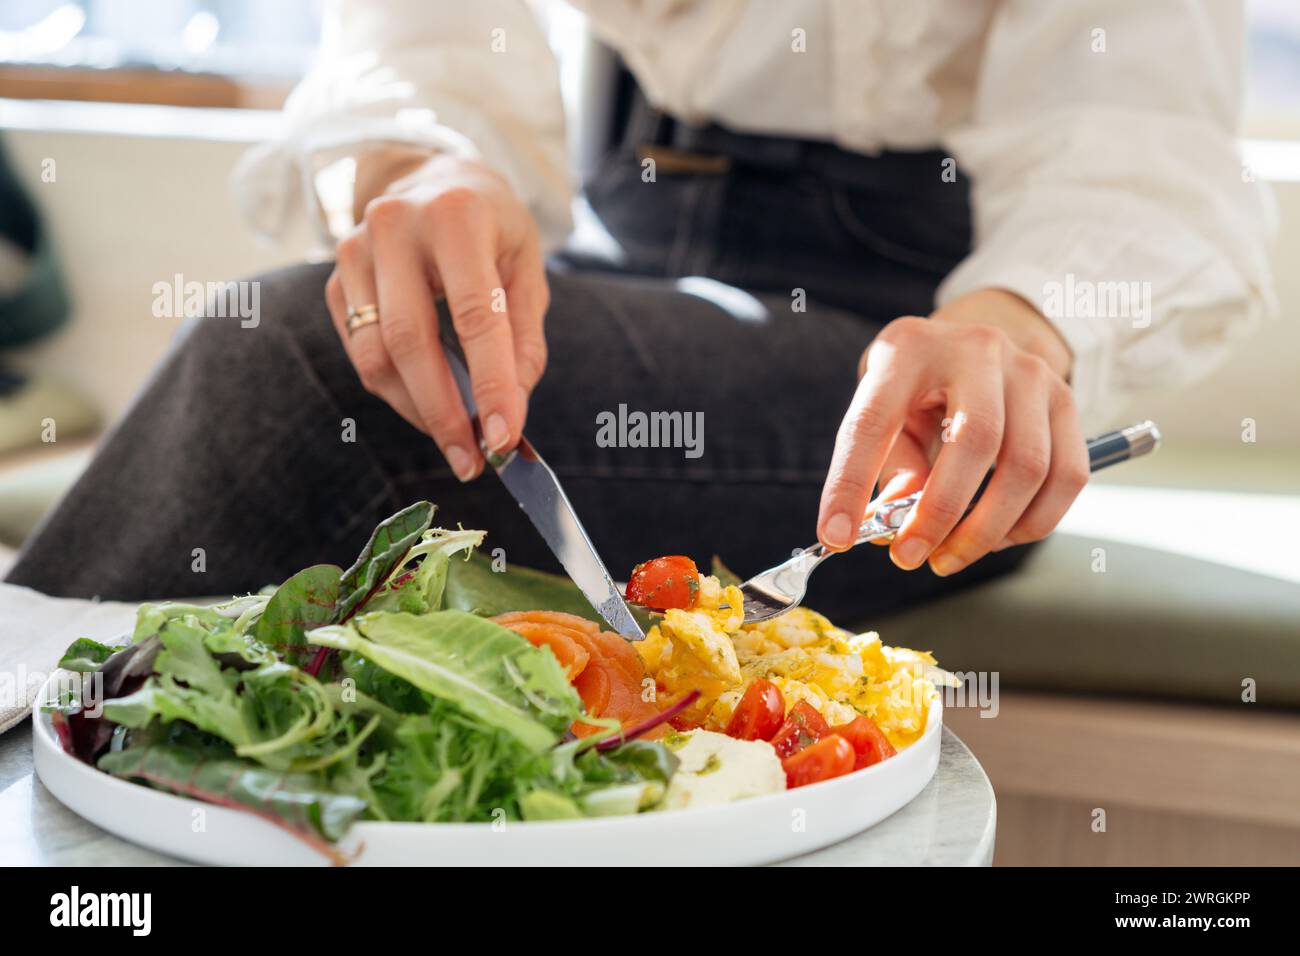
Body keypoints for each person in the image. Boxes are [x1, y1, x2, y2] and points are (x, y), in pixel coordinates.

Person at [5, 0, 1274, 625]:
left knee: (290, 361)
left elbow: (1134, 131)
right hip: (619, 240)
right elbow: (422, 37)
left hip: (919, 364)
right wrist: (417, 166)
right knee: (385, 348)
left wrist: (1012, 326)